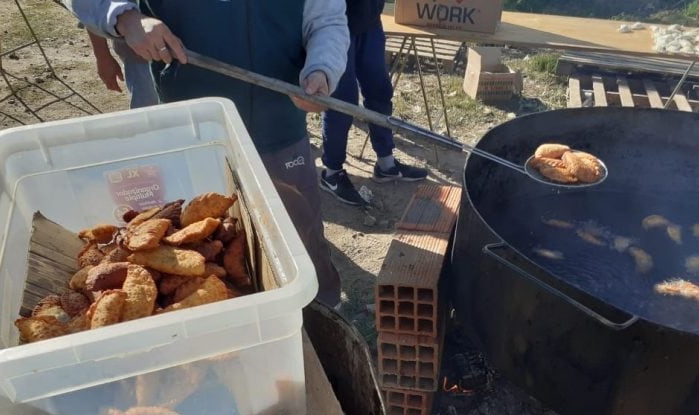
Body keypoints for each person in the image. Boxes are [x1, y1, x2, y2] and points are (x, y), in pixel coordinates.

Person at [66, 0, 349, 308]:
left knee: (300, 231)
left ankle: (323, 312)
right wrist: (127, 19)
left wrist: (323, 68)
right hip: (193, 132)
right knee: (207, 244)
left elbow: (326, 21)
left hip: (280, 127)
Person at [319, 0, 428, 206]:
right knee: (341, 102)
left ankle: (386, 164)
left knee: (379, 90)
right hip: (334, 23)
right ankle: (331, 173)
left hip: (370, 20)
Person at [85, 29, 158, 108]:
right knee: (146, 112)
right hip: (140, 57)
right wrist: (103, 57)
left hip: (168, 52)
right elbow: (92, 17)